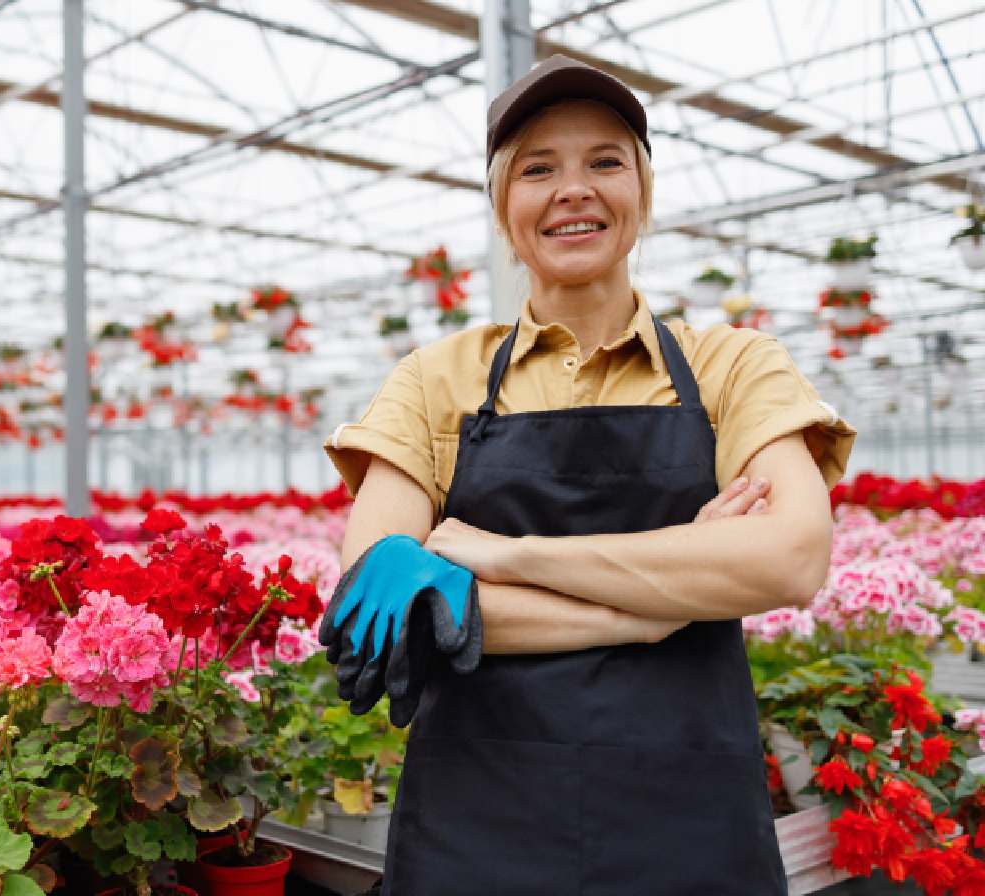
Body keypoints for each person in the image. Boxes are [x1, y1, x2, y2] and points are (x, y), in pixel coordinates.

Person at [322, 55, 856, 895]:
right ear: (505, 206)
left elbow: (791, 559)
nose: (574, 188)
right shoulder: (435, 379)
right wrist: (659, 602)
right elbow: (399, 608)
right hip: (477, 828)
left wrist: (503, 558)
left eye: (605, 161)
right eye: (538, 168)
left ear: (642, 192)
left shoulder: (733, 366)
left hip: (689, 826)